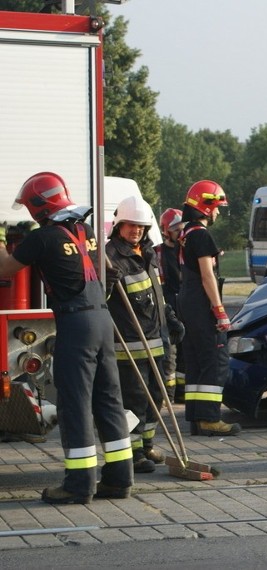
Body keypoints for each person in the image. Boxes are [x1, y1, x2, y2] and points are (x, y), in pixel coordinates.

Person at [0, 172, 133, 503]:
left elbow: (5, 270)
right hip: (102, 319)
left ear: (37, 207)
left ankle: (78, 485)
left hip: (76, 324)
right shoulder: (84, 230)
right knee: (108, 399)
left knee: (75, 405)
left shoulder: (42, 238)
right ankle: (119, 480)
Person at [105, 195, 169, 474]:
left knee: (156, 396)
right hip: (129, 345)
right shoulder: (109, 257)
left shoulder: (148, 254)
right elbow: (102, 297)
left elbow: (156, 295)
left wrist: (171, 319)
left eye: (141, 227)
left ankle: (146, 445)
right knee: (134, 400)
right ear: (119, 226)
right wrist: (107, 283)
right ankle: (131, 453)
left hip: (156, 340)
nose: (136, 231)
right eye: (130, 225)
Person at [178, 180, 241, 436]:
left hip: (187, 302)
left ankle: (196, 418)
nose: (217, 213)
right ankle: (210, 419)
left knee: (197, 361)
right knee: (215, 361)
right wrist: (219, 310)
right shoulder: (202, 235)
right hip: (202, 305)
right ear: (206, 207)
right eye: (216, 208)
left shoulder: (187, 233)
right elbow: (207, 276)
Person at [157, 208, 186, 403]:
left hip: (186, 304)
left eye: (182, 229)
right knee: (170, 353)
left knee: (187, 352)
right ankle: (168, 396)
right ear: (166, 231)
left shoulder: (187, 251)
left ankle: (183, 394)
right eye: (176, 229)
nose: (180, 233)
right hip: (168, 307)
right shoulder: (157, 253)